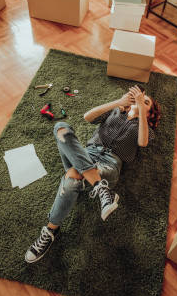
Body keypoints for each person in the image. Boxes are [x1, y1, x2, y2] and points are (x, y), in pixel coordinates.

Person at [25, 85, 161, 263]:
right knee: (60, 127)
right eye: (139, 99)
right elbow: (87, 117)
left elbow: (142, 142)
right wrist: (118, 102)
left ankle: (50, 230)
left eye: (146, 101)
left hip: (110, 165)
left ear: (150, 113)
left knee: (72, 176)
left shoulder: (145, 128)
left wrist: (141, 111)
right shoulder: (115, 112)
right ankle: (101, 189)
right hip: (87, 154)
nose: (140, 101)